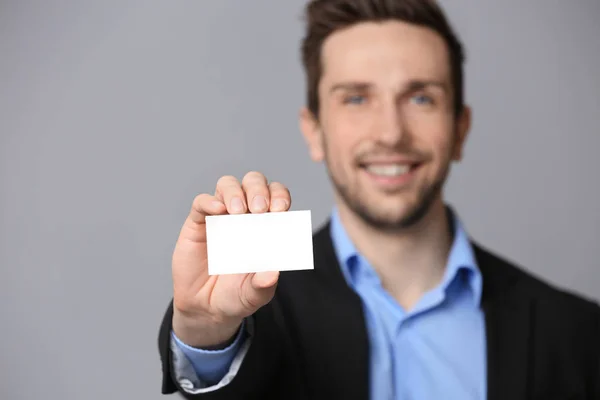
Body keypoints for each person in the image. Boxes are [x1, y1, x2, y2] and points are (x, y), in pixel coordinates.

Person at [157, 0, 600, 399]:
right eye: (356, 98)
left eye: (421, 97)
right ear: (314, 130)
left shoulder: (578, 334)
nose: (390, 133)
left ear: (460, 129)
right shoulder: (255, 317)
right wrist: (207, 329)